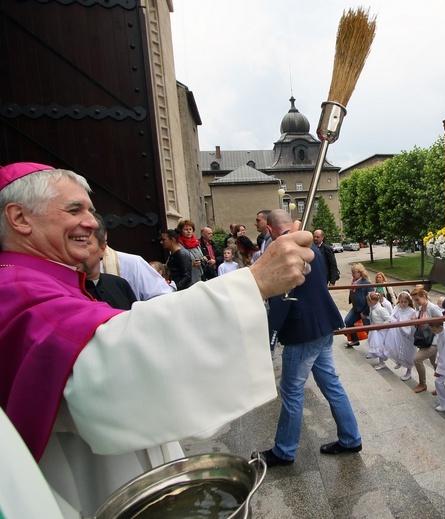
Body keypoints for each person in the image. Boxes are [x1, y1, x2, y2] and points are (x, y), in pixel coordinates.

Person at [0, 163, 315, 517]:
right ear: (20, 218)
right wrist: (252, 283)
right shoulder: (18, 290)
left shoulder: (46, 280)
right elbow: (110, 364)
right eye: (75, 209)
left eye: (90, 210)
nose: (91, 222)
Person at [259, 209, 361, 467]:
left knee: (292, 391)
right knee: (331, 384)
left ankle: (283, 451)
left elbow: (280, 298)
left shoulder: (284, 249)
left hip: (302, 332)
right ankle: (351, 438)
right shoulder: (306, 245)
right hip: (322, 325)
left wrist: (270, 338)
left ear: (270, 229)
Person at [80, 213, 137, 310]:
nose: (76, 251)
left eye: (85, 243)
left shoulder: (120, 285)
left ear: (102, 249)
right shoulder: (63, 292)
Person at [411, 288, 443, 394]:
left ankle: (422, 383)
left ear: (424, 297)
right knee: (435, 364)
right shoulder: (421, 309)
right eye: (414, 300)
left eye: (417, 299)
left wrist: (425, 323)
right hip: (426, 340)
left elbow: (441, 323)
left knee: (417, 359)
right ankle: (441, 387)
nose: (416, 302)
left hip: (433, 341)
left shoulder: (433, 308)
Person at [384, 290, 418, 381]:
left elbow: (412, 323)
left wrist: (406, 327)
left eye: (405, 302)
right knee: (397, 346)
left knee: (408, 352)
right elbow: (392, 316)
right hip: (398, 331)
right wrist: (396, 321)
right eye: (401, 301)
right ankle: (399, 360)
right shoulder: (397, 307)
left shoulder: (411, 311)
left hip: (408, 334)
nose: (403, 304)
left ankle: (408, 371)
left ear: (409, 301)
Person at [344, 263, 373, 347]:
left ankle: (374, 346)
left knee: (368, 329)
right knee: (348, 321)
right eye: (352, 272)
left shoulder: (366, 283)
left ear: (360, 273)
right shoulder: (354, 282)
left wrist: (365, 312)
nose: (352, 274)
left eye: (354, 272)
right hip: (356, 308)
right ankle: (354, 340)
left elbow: (371, 300)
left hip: (365, 310)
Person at [365, 291, 390, 370]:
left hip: (381, 331)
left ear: (373, 301)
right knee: (375, 344)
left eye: (368, 301)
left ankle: (382, 362)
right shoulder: (372, 308)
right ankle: (378, 359)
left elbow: (389, 319)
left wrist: (380, 325)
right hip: (374, 329)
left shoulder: (380, 309)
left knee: (379, 346)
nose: (367, 303)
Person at [176, 219, 204, 285]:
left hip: (200, 275)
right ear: (181, 231)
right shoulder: (179, 245)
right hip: (189, 278)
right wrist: (191, 265)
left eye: (190, 229)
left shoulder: (196, 242)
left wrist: (203, 258)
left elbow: (200, 255)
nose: (189, 231)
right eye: (186, 229)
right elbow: (179, 264)